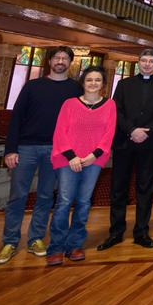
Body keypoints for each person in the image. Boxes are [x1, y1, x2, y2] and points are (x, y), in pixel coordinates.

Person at [0, 46, 82, 265]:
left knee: (45, 196)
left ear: (69, 62)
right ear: (50, 61)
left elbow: (79, 122)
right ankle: (10, 241)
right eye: (57, 57)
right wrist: (10, 149)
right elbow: (16, 119)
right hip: (26, 147)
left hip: (56, 149)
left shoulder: (75, 88)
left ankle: (35, 238)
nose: (60, 61)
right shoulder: (32, 86)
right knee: (17, 196)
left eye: (64, 58)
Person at [98, 48, 153, 251]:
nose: (147, 64)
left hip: (148, 143)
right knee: (118, 189)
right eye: (144, 60)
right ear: (138, 62)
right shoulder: (124, 84)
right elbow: (116, 110)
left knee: (145, 188)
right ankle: (116, 232)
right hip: (124, 141)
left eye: (151, 61)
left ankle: (141, 232)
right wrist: (131, 130)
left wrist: (145, 130)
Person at [46, 66, 117, 266]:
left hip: (94, 160)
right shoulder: (69, 104)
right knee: (64, 201)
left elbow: (108, 134)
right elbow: (60, 132)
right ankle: (56, 247)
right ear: (83, 83)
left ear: (103, 84)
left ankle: (75, 244)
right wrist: (72, 156)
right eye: (89, 80)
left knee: (84, 202)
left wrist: (93, 155)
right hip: (68, 158)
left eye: (97, 80)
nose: (93, 83)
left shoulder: (110, 105)